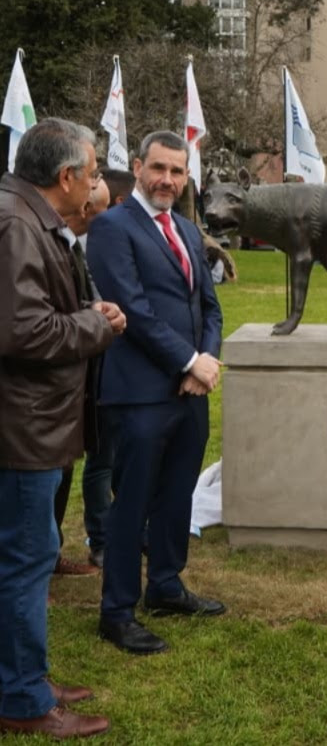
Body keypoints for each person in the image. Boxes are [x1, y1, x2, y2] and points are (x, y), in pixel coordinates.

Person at [0, 118, 125, 739]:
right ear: (66, 177)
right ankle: (22, 699)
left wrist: (80, 313)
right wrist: (96, 326)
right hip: (23, 427)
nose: (97, 182)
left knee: (27, 555)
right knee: (27, 561)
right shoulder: (18, 225)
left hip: (33, 423)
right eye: (94, 170)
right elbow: (22, 332)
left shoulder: (24, 218)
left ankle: (23, 677)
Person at [87, 131, 225, 655]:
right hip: (140, 394)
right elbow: (133, 309)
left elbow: (207, 307)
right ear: (139, 168)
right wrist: (188, 360)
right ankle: (117, 611)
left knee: (176, 496)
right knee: (133, 503)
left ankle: (165, 586)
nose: (168, 179)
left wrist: (204, 363)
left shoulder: (188, 231)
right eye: (159, 168)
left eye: (177, 171)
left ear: (187, 177)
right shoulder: (112, 227)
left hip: (190, 393)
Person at [51, 178, 111, 577]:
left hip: (74, 385)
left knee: (65, 468)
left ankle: (50, 556)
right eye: (95, 205)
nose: (96, 214)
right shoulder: (30, 236)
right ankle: (35, 568)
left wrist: (95, 308)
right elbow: (34, 326)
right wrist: (98, 321)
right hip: (44, 391)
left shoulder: (69, 244)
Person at [81, 169, 136, 568]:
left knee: (122, 454)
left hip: (125, 365)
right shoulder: (84, 243)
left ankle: (126, 530)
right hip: (96, 368)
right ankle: (100, 539)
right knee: (101, 459)